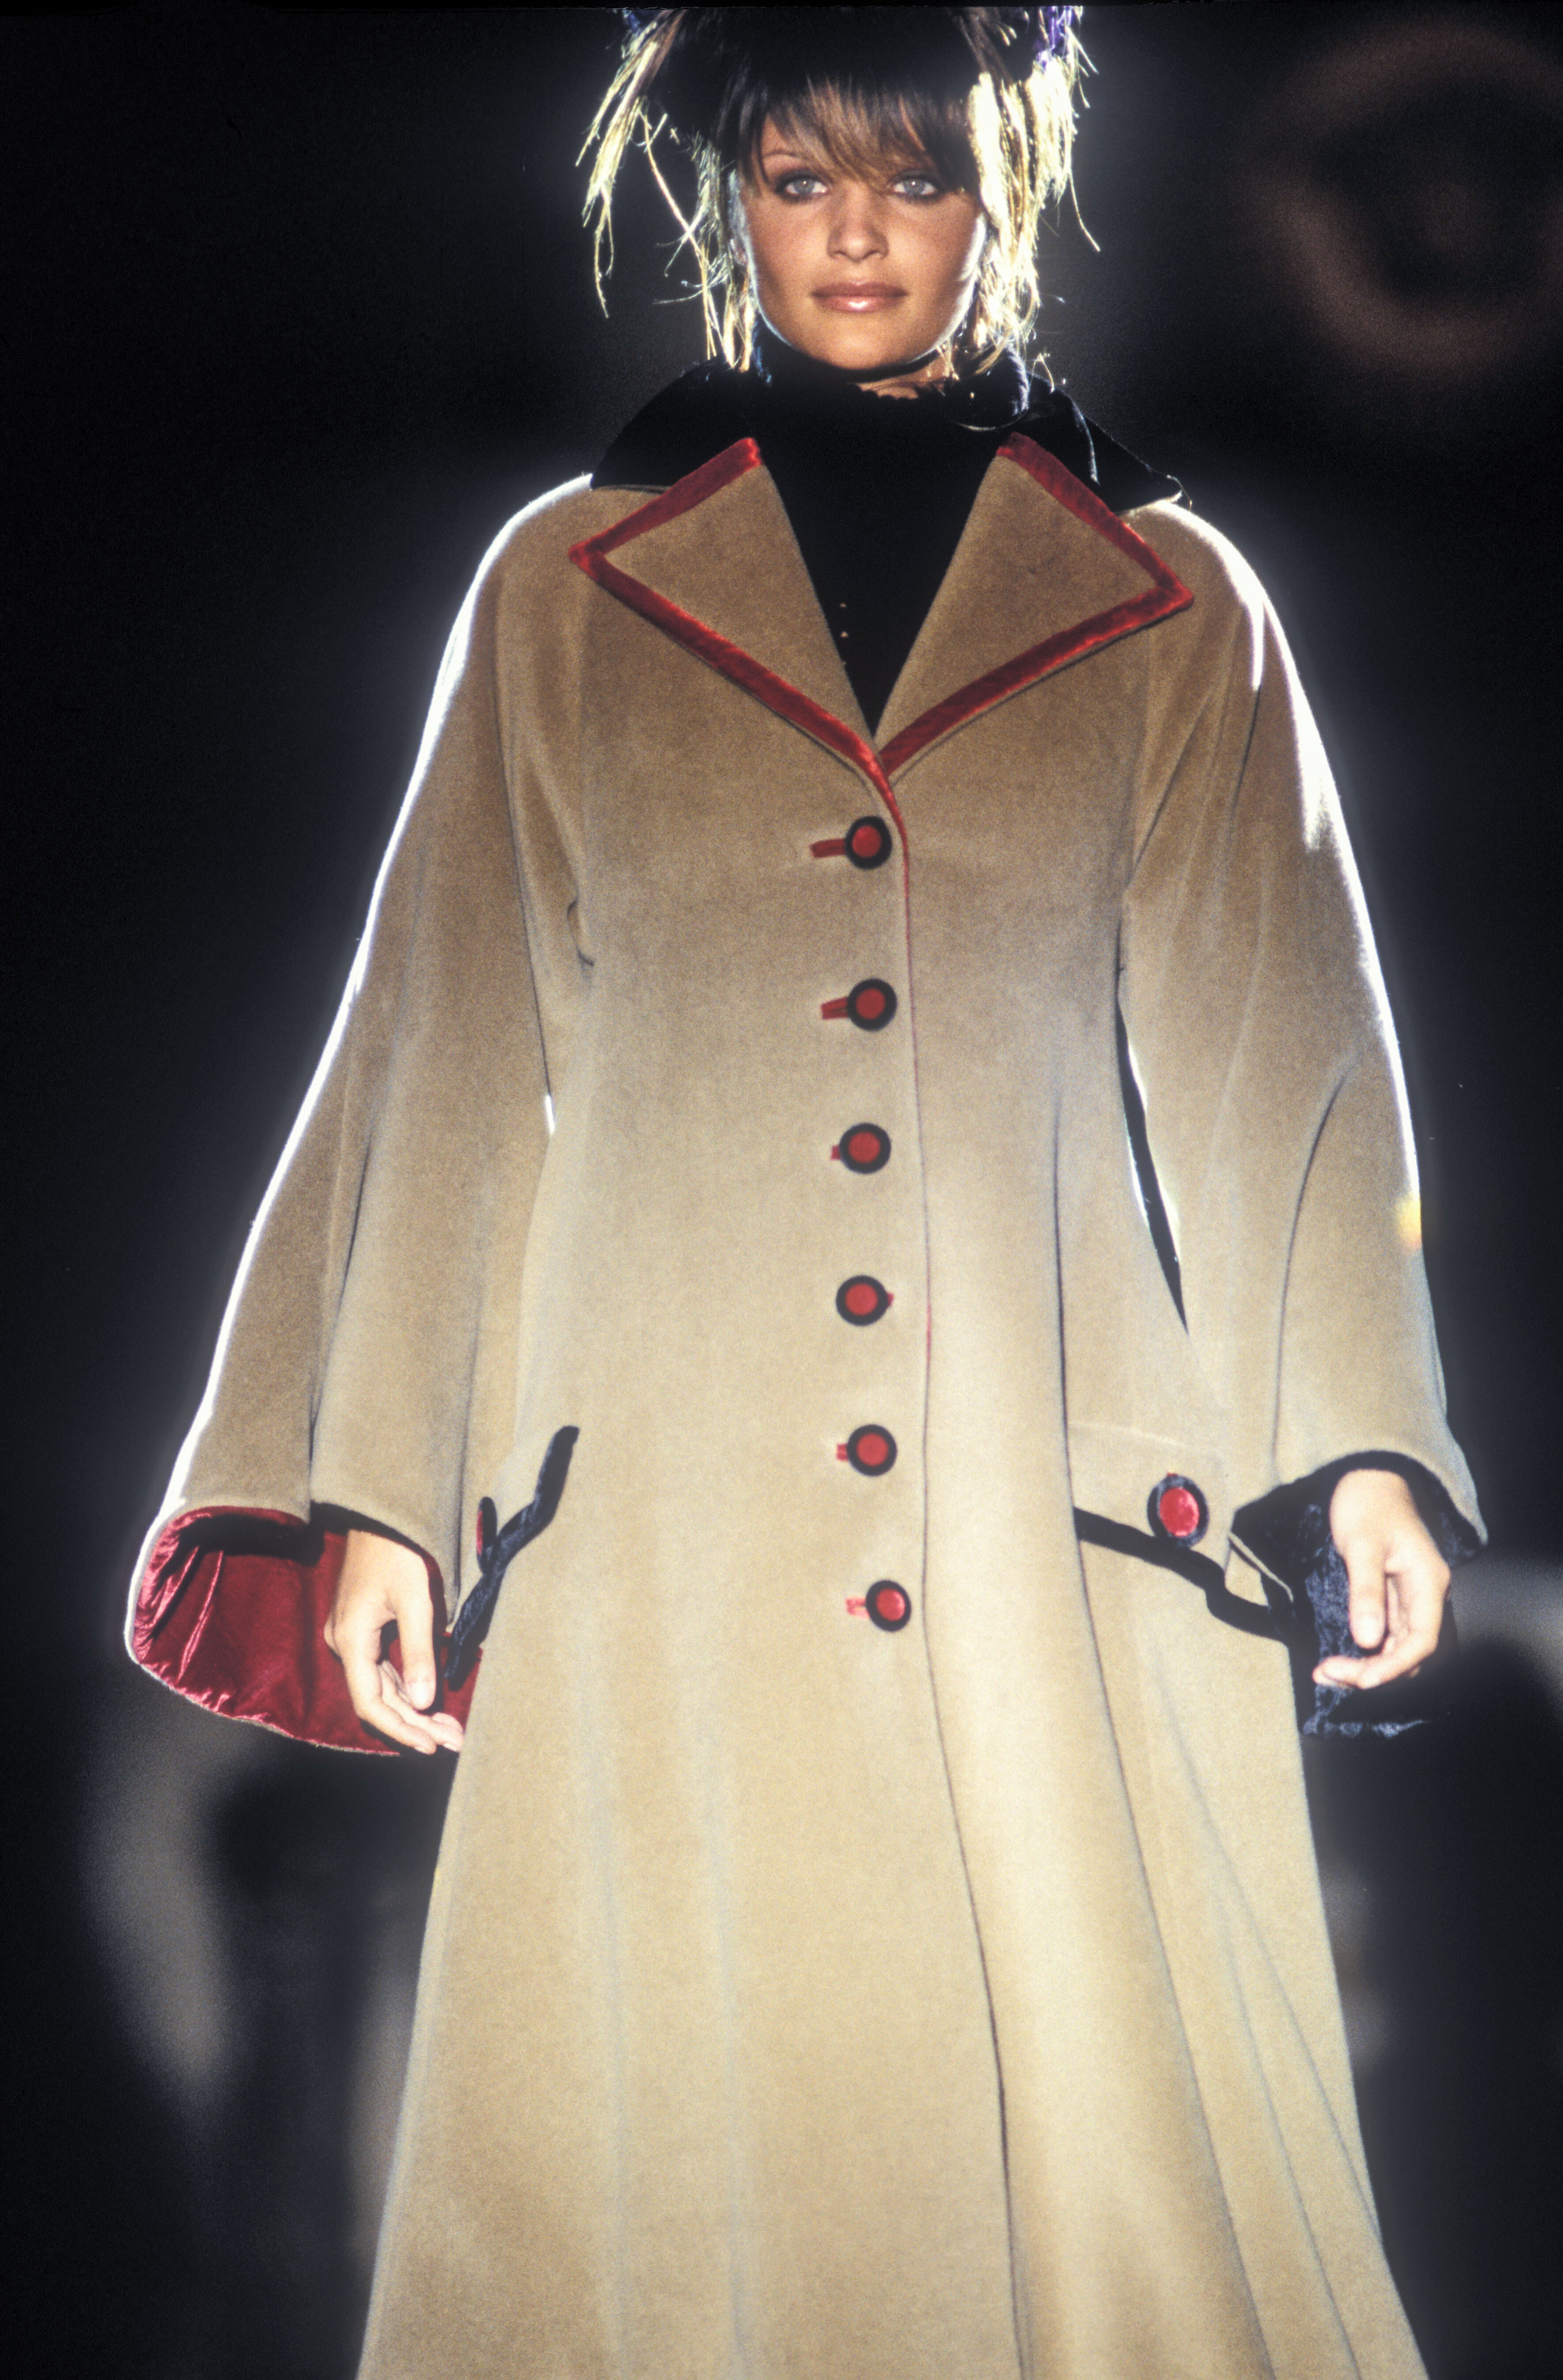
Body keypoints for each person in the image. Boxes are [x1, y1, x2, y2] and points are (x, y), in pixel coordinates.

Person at [126, 10, 1481, 2374]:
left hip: (1041, 1512)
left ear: (1003, 195)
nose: (856, 233)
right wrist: (376, 1485)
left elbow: (1287, 1056)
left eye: (914, 177)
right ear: (725, 197)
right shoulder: (562, 587)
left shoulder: (1172, 599)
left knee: (1112, 2195)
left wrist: (1359, 1437)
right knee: (660, 2173)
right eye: (799, 178)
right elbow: (446, 1035)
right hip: (663, 1510)